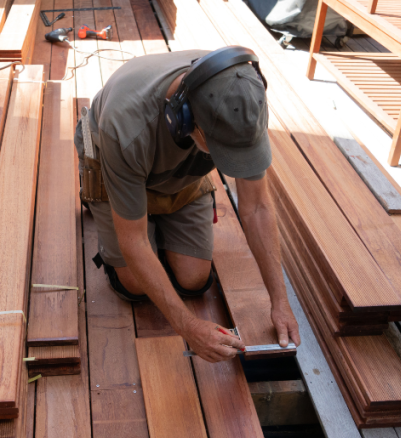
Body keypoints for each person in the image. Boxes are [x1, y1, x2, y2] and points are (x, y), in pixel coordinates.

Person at [75, 46, 300, 362]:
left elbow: (258, 208)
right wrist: (189, 326)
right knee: (136, 287)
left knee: (194, 280)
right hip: (115, 161)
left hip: (177, 174)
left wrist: (280, 301)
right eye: (221, 152)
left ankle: (159, 222)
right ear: (182, 119)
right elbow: (134, 241)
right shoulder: (126, 125)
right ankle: (112, 211)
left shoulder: (242, 101)